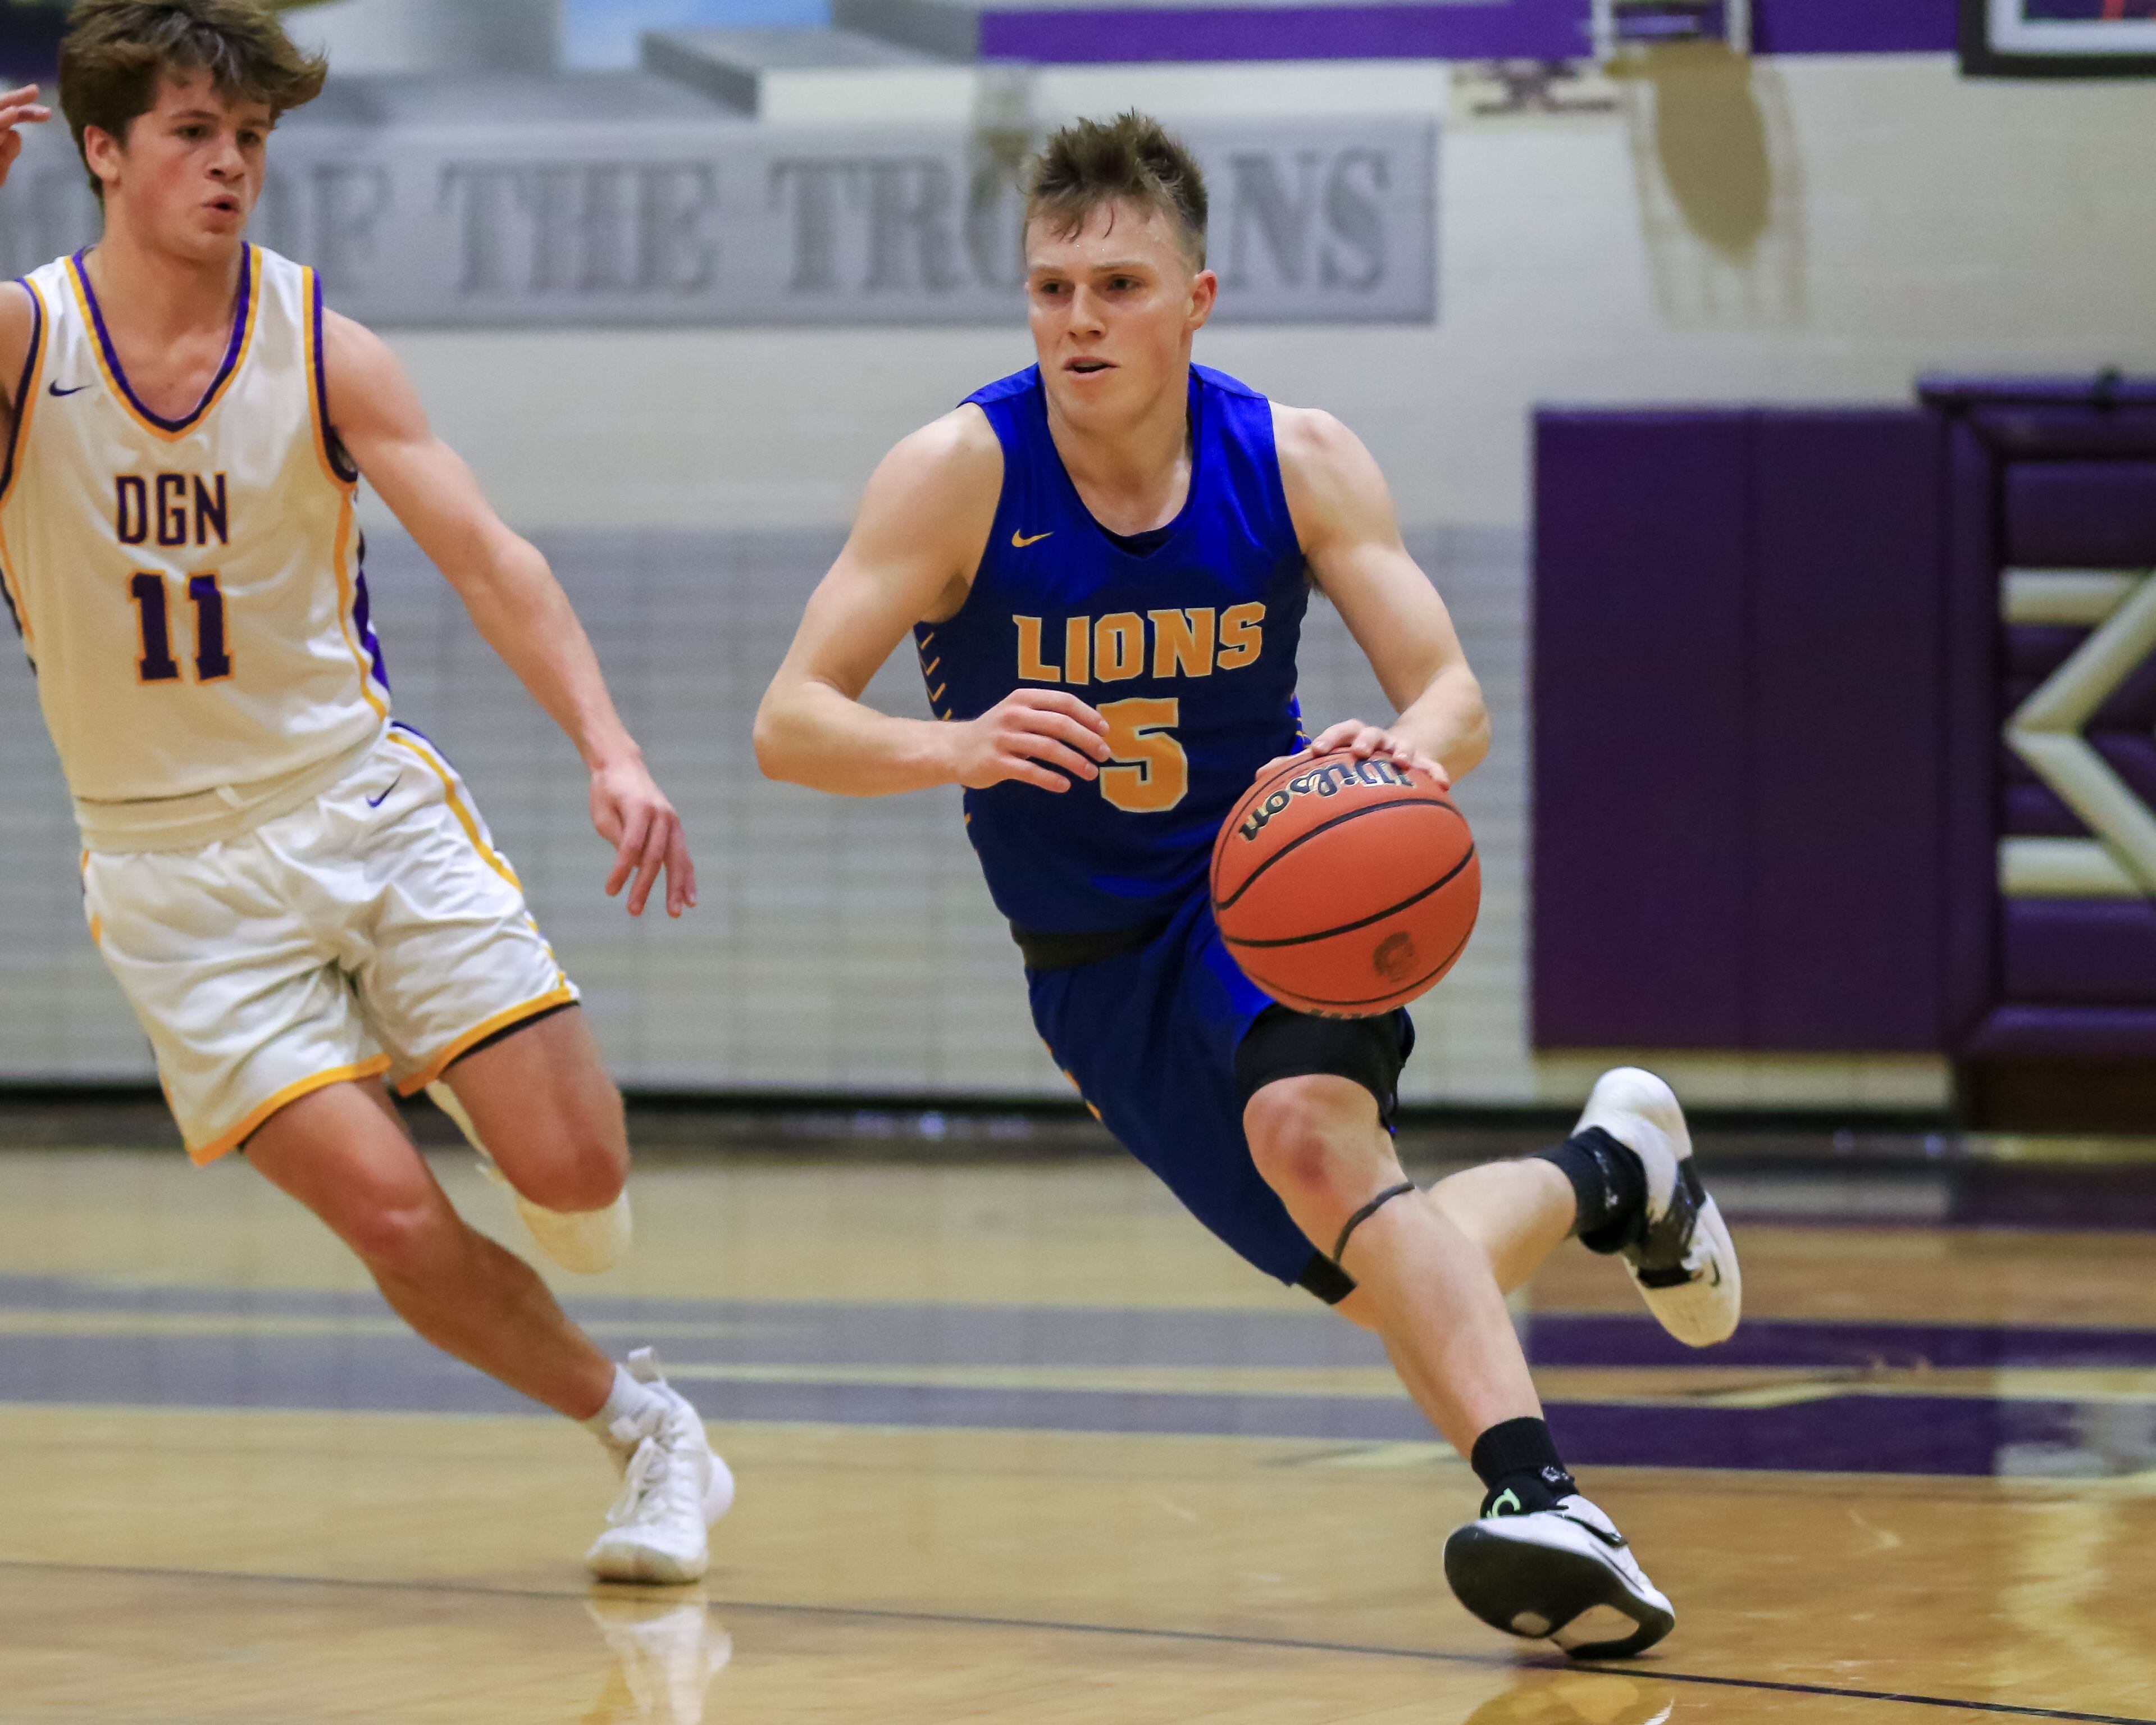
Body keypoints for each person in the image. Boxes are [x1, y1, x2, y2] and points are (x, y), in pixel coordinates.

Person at [756, 111, 1743, 1658]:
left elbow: (1455, 699)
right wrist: (950, 744)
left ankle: (1542, 1496)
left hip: (1274, 894)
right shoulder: (959, 470)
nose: (1081, 320)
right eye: (1052, 288)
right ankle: (1615, 1175)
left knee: (1308, 1129)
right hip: (1090, 963)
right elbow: (789, 723)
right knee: (1386, 1275)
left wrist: (1395, 755)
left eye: (1120, 286)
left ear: (1196, 298)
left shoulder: (1294, 456)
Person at [0, 0, 728, 1582]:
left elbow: (489, 556)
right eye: (192, 133)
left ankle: (442, 1054)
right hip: (166, 877)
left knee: (580, 1177)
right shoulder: (24, 344)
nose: (230, 165)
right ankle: (650, 1434)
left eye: (250, 138)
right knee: (395, 1223)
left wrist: (610, 745)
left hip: (357, 806)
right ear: (101, 149)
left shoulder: (321, 345)